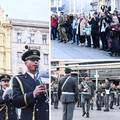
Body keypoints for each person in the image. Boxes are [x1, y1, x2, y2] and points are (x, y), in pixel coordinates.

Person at [12, 49, 49, 120]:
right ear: (25, 62)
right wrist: (33, 94)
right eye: (32, 60)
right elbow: (16, 101)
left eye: (37, 60)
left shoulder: (43, 78)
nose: (35, 62)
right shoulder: (18, 79)